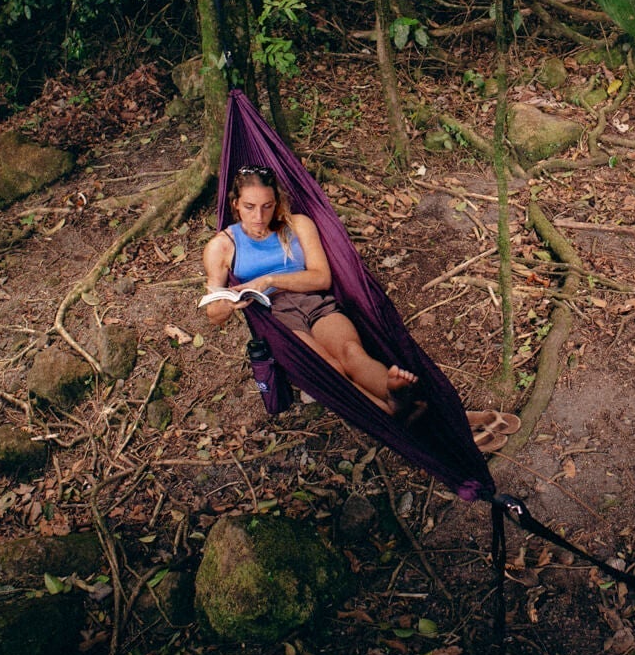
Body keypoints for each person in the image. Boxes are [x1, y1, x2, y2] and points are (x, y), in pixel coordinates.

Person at [203, 165, 518, 451]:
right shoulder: (222, 246)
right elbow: (213, 316)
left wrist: (270, 279)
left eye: (267, 206)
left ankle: (415, 409)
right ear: (235, 205)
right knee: (331, 368)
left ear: (276, 202)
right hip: (277, 319)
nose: (259, 216)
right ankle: (398, 415)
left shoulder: (297, 225)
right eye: (249, 207)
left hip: (313, 301)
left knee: (353, 353)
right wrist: (231, 304)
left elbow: (321, 277)